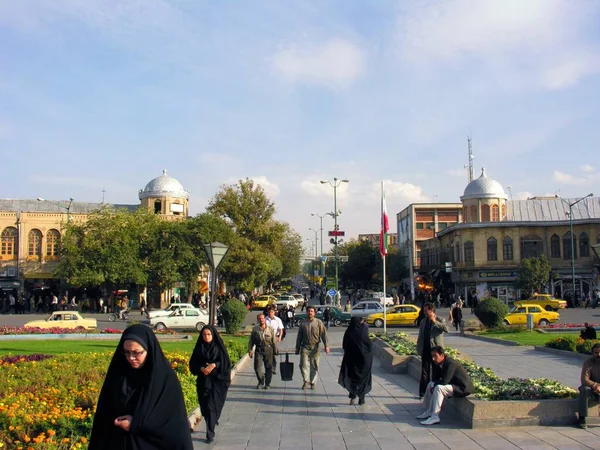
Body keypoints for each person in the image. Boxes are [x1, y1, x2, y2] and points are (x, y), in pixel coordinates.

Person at [89, 324, 193, 450]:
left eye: (136, 353)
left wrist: (136, 424)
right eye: (126, 352)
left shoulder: (165, 380)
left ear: (149, 349)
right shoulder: (118, 375)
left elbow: (173, 427)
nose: (131, 358)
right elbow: (104, 416)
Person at [189, 325, 231, 443]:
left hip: (217, 382)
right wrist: (201, 368)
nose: (206, 337)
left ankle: (210, 433)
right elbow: (193, 364)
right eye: (204, 334)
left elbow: (225, 363)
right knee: (205, 407)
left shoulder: (218, 347)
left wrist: (214, 365)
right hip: (203, 381)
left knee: (211, 406)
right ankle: (210, 422)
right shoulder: (199, 347)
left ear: (213, 335)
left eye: (209, 334)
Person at [417, 346, 473, 426]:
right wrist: (434, 379)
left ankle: (435, 417)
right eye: (432, 356)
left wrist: (435, 384)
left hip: (462, 388)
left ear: (442, 355)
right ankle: (429, 411)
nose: (433, 359)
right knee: (430, 384)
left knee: (439, 388)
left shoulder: (451, 363)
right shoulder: (439, 362)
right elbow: (435, 378)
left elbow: (445, 381)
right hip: (453, 385)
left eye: (435, 356)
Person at [416, 302, 449, 398]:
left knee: (436, 372)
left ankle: (434, 392)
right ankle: (423, 393)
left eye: (426, 310)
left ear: (431, 311)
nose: (424, 312)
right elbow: (420, 336)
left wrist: (435, 322)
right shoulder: (423, 321)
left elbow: (447, 329)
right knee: (424, 372)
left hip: (436, 352)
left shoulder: (440, 319)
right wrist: (419, 348)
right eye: (424, 310)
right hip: (425, 350)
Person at [338, 317, 373, 405]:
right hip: (363, 361)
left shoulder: (349, 331)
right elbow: (368, 345)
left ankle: (353, 396)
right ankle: (362, 398)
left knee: (352, 378)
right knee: (363, 379)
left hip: (351, 360)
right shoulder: (363, 332)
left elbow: (344, 345)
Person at [295, 305, 330, 390]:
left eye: (311, 311)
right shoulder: (303, 323)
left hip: (315, 347)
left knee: (314, 365)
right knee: (303, 364)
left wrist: (326, 346)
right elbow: (299, 336)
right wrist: (297, 347)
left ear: (314, 313)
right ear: (307, 312)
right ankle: (306, 381)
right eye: (308, 311)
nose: (310, 313)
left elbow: (323, 334)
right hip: (305, 346)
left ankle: (313, 382)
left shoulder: (318, 322)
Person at [248, 313, 277, 390]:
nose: (261, 320)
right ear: (258, 320)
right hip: (259, 349)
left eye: (262, 318)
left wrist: (275, 350)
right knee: (257, 367)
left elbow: (274, 340)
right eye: (259, 319)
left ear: (265, 319)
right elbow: (251, 340)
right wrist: (250, 350)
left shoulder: (270, 328)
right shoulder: (255, 329)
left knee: (269, 367)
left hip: (268, 349)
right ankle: (261, 381)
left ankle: (267, 383)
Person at [577, 343, 600, 429]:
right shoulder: (588, 362)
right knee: (584, 390)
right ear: (592, 353)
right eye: (596, 353)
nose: (599, 355)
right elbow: (584, 379)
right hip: (591, 387)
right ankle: (582, 418)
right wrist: (595, 385)